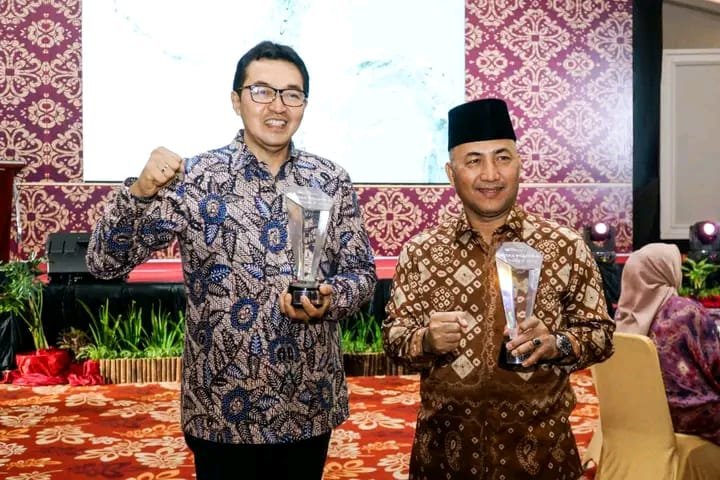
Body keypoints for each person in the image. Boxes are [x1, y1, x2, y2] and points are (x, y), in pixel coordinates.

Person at [86, 40, 377, 480]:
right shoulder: (195, 178)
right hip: (221, 407)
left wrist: (330, 298)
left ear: (304, 104)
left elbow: (361, 273)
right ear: (236, 101)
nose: (278, 106)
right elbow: (103, 262)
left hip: (307, 402)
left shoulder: (329, 179)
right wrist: (139, 193)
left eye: (292, 94)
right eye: (262, 91)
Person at [382, 98, 615, 479]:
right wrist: (426, 340)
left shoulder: (564, 246)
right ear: (451, 172)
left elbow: (601, 336)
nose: (490, 174)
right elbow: (393, 338)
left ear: (519, 164)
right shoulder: (422, 251)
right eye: (474, 161)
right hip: (445, 457)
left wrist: (557, 344)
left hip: (541, 456)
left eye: (502, 158)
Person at [615, 243, 720, 445]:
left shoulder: (623, 316)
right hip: (687, 414)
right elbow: (716, 364)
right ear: (668, 271)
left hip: (637, 413)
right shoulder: (686, 312)